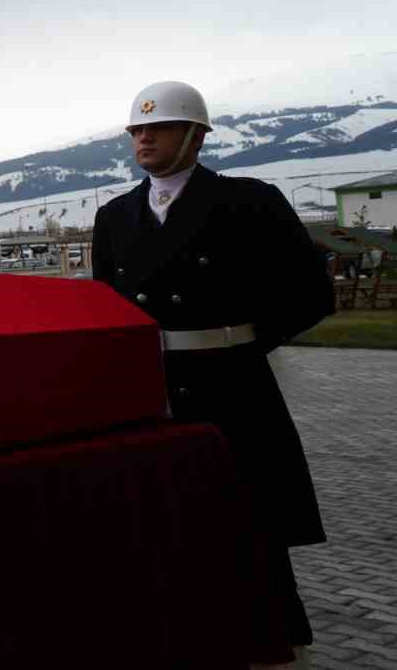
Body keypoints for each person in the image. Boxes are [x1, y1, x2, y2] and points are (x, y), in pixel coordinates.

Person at [92, 80, 332, 669]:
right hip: (152, 390)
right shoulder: (114, 217)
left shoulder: (249, 201)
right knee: (169, 518)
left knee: (252, 519)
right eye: (137, 130)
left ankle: (275, 640)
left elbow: (311, 292)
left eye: (159, 128)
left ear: (196, 136)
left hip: (232, 387)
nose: (144, 139)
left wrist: (242, 344)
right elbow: (107, 307)